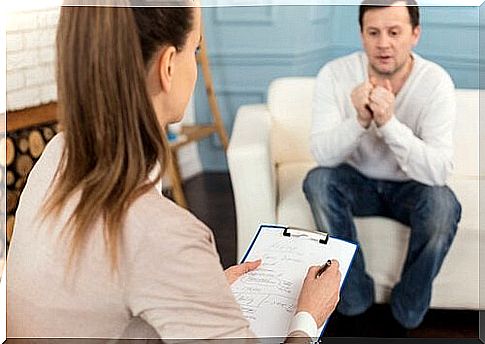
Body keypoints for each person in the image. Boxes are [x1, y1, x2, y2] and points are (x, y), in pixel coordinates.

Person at [6, 3, 342, 341]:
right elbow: (148, 250)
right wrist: (308, 318)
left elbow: (97, 300)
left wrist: (196, 293)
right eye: (194, 50)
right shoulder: (165, 235)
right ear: (168, 66)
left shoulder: (55, 156)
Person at [302, 0, 461, 334]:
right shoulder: (335, 74)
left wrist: (388, 123)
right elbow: (323, 155)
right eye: (373, 32)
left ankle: (408, 308)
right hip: (356, 183)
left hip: (411, 188)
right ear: (361, 35)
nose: (383, 43)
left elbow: (438, 172)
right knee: (317, 181)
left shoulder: (436, 82)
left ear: (415, 34)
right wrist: (360, 120)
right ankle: (355, 298)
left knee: (444, 204)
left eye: (394, 32)